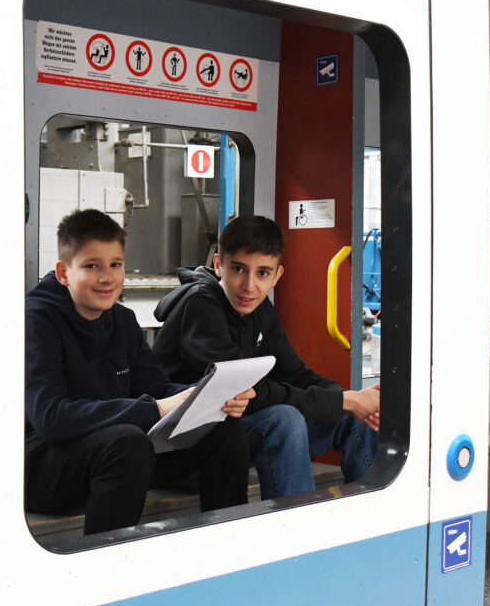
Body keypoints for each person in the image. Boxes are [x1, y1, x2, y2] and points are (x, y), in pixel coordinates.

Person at [25, 209, 254, 535]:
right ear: (64, 272)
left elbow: (158, 388)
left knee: (224, 430)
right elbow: (51, 418)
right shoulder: (37, 321)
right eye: (92, 266)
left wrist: (210, 395)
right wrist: (155, 408)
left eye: (115, 265)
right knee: (128, 443)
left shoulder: (121, 321)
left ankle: (227, 545)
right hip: (45, 467)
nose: (107, 277)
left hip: (118, 458)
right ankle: (107, 567)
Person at [152, 214, 380, 500]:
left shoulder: (258, 308)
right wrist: (345, 400)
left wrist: (353, 399)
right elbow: (247, 392)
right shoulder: (200, 306)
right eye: (238, 269)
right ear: (219, 265)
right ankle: (295, 534)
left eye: (262, 273)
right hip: (184, 449)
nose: (250, 286)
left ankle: (371, 526)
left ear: (277, 275)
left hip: (235, 434)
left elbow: (296, 374)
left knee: (356, 418)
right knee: (284, 420)